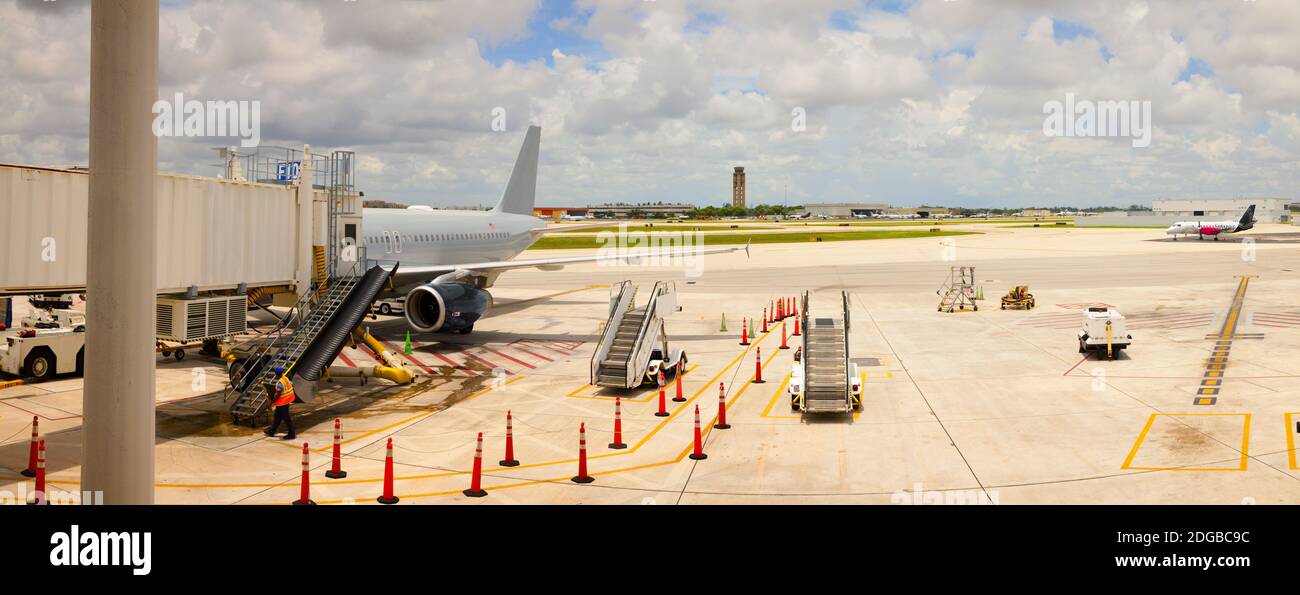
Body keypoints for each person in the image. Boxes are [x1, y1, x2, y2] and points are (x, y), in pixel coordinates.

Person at [263, 366, 297, 440]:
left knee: (286, 418)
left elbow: (278, 395)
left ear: (276, 373)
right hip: (286, 401)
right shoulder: (285, 378)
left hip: (283, 403)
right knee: (277, 416)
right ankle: (272, 431)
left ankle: (292, 433)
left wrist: (270, 403)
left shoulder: (280, 383)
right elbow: (291, 383)